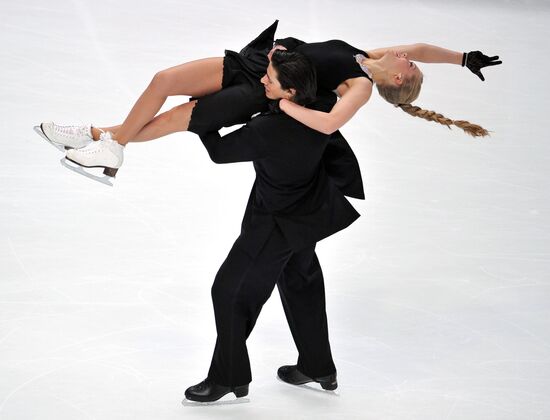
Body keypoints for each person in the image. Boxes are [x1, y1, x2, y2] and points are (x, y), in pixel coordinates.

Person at [37, 21, 501, 180]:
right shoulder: (373, 55)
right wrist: (463, 58)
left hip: (258, 89)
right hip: (254, 61)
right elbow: (420, 49)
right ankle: (107, 140)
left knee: (179, 115)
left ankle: (102, 139)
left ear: (398, 79)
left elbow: (332, 123)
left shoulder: (358, 84)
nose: (409, 56)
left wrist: (283, 105)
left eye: (411, 66)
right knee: (164, 79)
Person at [183, 49, 359, 403]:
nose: (263, 80)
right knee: (300, 281)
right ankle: (317, 365)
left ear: (291, 92)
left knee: (228, 291)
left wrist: (203, 114)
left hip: (274, 221)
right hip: (308, 210)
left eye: (270, 79)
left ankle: (228, 377)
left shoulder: (269, 129)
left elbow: (218, 150)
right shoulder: (321, 105)